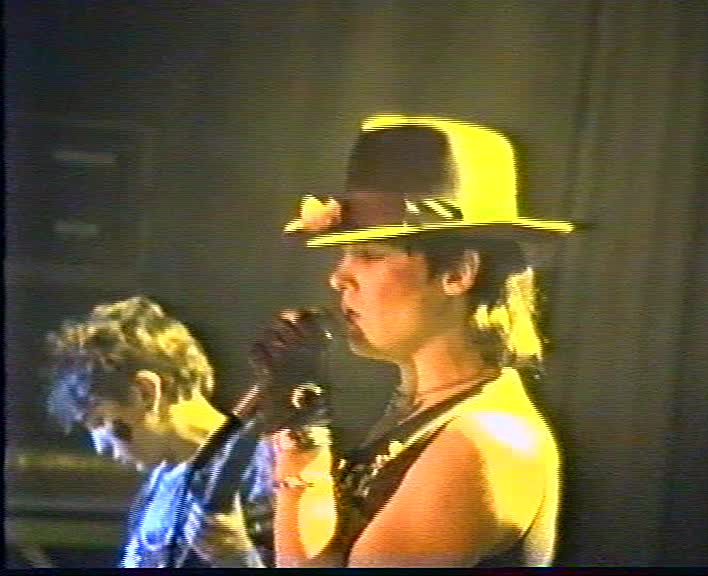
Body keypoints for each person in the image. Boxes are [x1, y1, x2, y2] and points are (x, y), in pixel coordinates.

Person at [258, 114, 575, 567]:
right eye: (344, 254)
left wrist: (300, 435)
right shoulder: (423, 412)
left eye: (369, 255)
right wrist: (296, 421)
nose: (338, 277)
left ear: (458, 273)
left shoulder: (485, 442)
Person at [45, 296, 274, 568]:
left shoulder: (269, 468)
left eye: (100, 420)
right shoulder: (161, 480)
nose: (100, 446)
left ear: (145, 391)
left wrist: (238, 558)